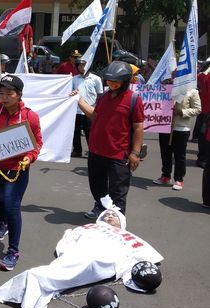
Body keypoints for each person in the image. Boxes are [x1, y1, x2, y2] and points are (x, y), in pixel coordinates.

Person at [0, 196, 164, 308]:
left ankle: (36, 280)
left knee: (82, 265)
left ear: (122, 222)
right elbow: (70, 237)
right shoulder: (88, 226)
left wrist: (129, 271)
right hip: (84, 249)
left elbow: (140, 253)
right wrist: (67, 250)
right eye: (107, 215)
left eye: (114, 216)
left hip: (105, 257)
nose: (110, 216)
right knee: (69, 266)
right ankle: (36, 280)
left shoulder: (127, 235)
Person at [0, 75, 43, 271]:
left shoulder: (30, 116)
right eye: (1, 93)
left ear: (19, 95)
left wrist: (29, 158)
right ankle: (3, 222)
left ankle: (13, 250)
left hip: (17, 169)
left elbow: (37, 143)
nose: (4, 97)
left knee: (12, 205)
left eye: (9, 93)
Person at [77, 61, 144, 218]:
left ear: (125, 81)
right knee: (96, 184)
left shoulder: (133, 99)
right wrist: (79, 101)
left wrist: (135, 152)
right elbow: (95, 116)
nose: (112, 83)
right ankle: (100, 206)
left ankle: (116, 220)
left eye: (116, 81)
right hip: (96, 150)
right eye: (109, 80)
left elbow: (138, 127)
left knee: (118, 191)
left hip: (119, 154)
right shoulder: (103, 97)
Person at [153, 88, 201, 190]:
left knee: (179, 155)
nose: (174, 75)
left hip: (181, 128)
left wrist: (182, 112)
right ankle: (165, 175)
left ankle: (179, 179)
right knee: (165, 153)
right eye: (173, 73)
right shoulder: (166, 88)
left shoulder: (192, 91)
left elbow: (197, 109)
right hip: (165, 126)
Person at [71, 59, 103, 157]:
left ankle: (92, 150)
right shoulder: (74, 79)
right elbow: (70, 92)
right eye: (79, 66)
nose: (82, 68)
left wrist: (96, 107)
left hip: (90, 110)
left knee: (90, 131)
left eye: (83, 65)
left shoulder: (96, 79)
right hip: (76, 109)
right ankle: (77, 150)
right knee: (75, 131)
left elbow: (100, 94)